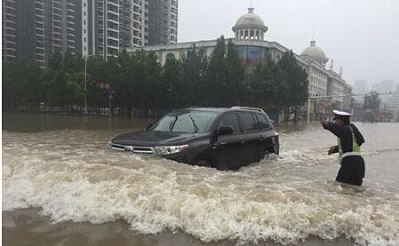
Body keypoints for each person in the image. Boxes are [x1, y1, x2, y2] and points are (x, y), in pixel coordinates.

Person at [321, 110, 366, 186]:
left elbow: (337, 129)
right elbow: (351, 144)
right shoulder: (352, 129)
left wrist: (327, 125)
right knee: (354, 189)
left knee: (339, 185)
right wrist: (335, 149)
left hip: (350, 163)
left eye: (336, 120)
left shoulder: (346, 129)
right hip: (359, 163)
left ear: (341, 120)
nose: (336, 123)